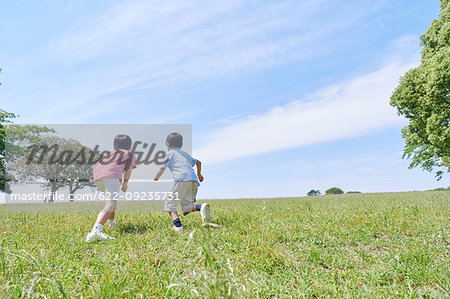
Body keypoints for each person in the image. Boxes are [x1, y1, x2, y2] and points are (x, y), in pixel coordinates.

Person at [154, 132, 210, 232]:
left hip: (181, 180)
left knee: (169, 204)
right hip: (193, 181)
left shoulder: (169, 154)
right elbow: (198, 162)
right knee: (186, 207)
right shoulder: (185, 154)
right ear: (181, 144)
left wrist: (156, 177)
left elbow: (162, 168)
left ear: (167, 144)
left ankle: (178, 227)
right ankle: (201, 207)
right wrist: (199, 174)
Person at [86, 134, 136, 242]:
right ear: (129, 147)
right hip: (111, 178)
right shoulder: (128, 154)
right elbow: (128, 169)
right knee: (110, 204)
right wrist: (125, 183)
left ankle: (112, 224)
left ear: (114, 147)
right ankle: (95, 231)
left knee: (111, 203)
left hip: (98, 178)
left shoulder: (109, 154)